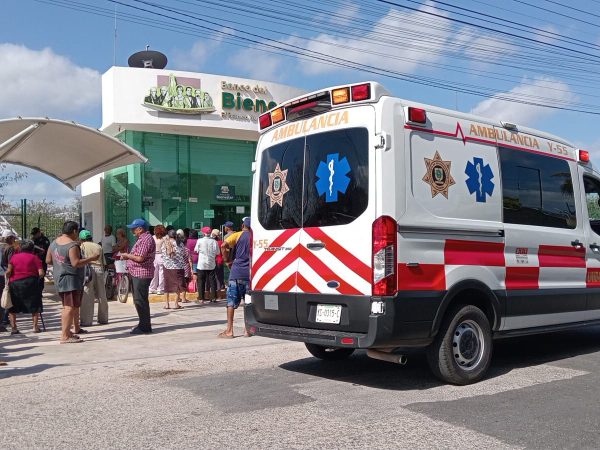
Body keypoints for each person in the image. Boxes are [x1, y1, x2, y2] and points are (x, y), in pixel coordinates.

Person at [47, 221, 99, 344]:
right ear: (74, 231)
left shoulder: (54, 243)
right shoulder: (72, 245)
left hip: (60, 278)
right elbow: (75, 263)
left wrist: (61, 264)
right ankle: (65, 336)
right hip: (71, 280)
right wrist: (92, 258)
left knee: (70, 306)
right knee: (69, 308)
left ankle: (69, 332)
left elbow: (48, 260)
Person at [119, 218, 155, 334]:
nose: (132, 231)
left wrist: (127, 255)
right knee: (139, 300)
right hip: (138, 273)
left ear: (140, 229)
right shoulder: (143, 239)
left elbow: (140, 258)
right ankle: (143, 324)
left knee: (140, 300)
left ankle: (144, 326)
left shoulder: (145, 239)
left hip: (141, 273)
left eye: (134, 229)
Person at [219, 217, 251, 338]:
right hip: (250, 273)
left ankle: (229, 331)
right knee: (248, 302)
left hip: (236, 272)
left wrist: (226, 260)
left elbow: (223, 245)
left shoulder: (237, 235)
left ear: (243, 226)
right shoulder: (256, 237)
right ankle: (247, 330)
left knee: (231, 303)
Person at [6, 240, 45, 334]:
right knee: (35, 305)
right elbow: (41, 273)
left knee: (12, 306)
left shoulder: (14, 257)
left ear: (20, 248)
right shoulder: (35, 257)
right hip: (31, 283)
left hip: (15, 283)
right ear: (32, 249)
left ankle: (14, 328)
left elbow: (8, 271)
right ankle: (35, 327)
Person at [79, 230, 108, 326]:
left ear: (81, 239)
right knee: (102, 294)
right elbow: (103, 263)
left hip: (88, 270)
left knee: (87, 295)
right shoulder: (98, 246)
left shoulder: (81, 246)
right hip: (99, 269)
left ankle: (86, 321)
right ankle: (103, 319)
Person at [162, 229, 187, 309]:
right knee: (177, 286)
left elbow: (163, 254)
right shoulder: (180, 244)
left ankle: (167, 304)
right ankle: (176, 304)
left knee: (167, 285)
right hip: (178, 267)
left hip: (167, 267)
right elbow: (183, 254)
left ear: (168, 235)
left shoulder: (165, 243)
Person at [195, 226, 219, 304]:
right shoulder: (214, 241)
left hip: (201, 263)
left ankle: (201, 298)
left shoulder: (200, 241)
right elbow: (217, 252)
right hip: (211, 263)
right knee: (212, 281)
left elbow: (196, 250)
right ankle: (214, 297)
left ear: (203, 233)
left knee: (201, 281)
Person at [149, 224, 166, 295]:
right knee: (161, 273)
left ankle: (152, 288)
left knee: (154, 273)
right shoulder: (165, 238)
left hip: (154, 256)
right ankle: (160, 289)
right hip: (162, 256)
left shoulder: (152, 237)